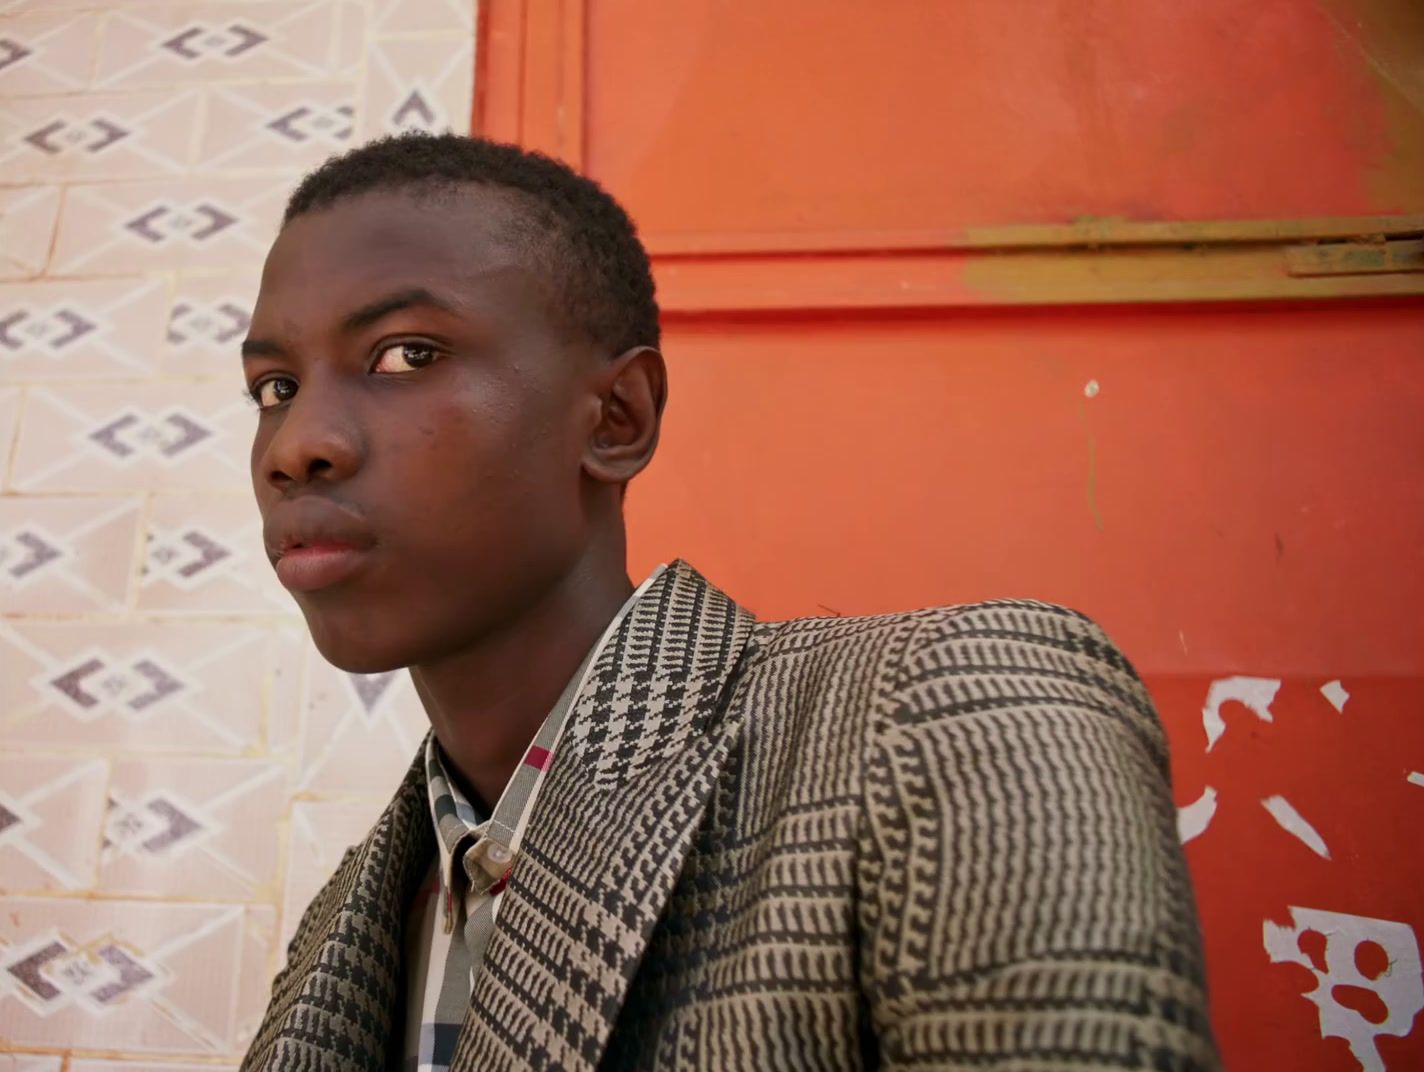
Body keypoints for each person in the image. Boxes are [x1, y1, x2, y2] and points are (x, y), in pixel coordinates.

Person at [239, 132, 1219, 1072]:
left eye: (406, 354)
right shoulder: (349, 920)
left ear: (616, 419)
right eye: (274, 385)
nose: (295, 446)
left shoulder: (946, 718)